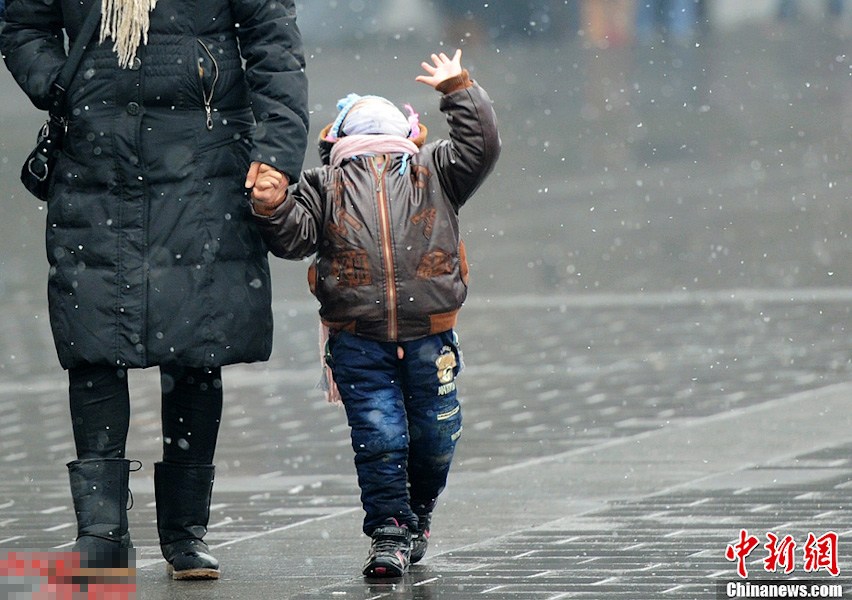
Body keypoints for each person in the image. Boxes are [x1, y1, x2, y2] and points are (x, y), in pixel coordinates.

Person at [0, 0, 308, 580]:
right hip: (93, 163)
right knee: (92, 345)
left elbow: (273, 44)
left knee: (197, 349)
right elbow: (22, 22)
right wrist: (58, 83)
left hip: (205, 166)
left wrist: (277, 155)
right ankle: (100, 538)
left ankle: (185, 536)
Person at [249, 49, 500, 577]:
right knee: (384, 439)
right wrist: (272, 205)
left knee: (428, 439)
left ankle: (413, 517)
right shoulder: (324, 185)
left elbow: (479, 146)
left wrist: (459, 89)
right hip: (359, 340)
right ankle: (389, 531)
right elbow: (295, 236)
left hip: (428, 337)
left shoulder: (433, 171)